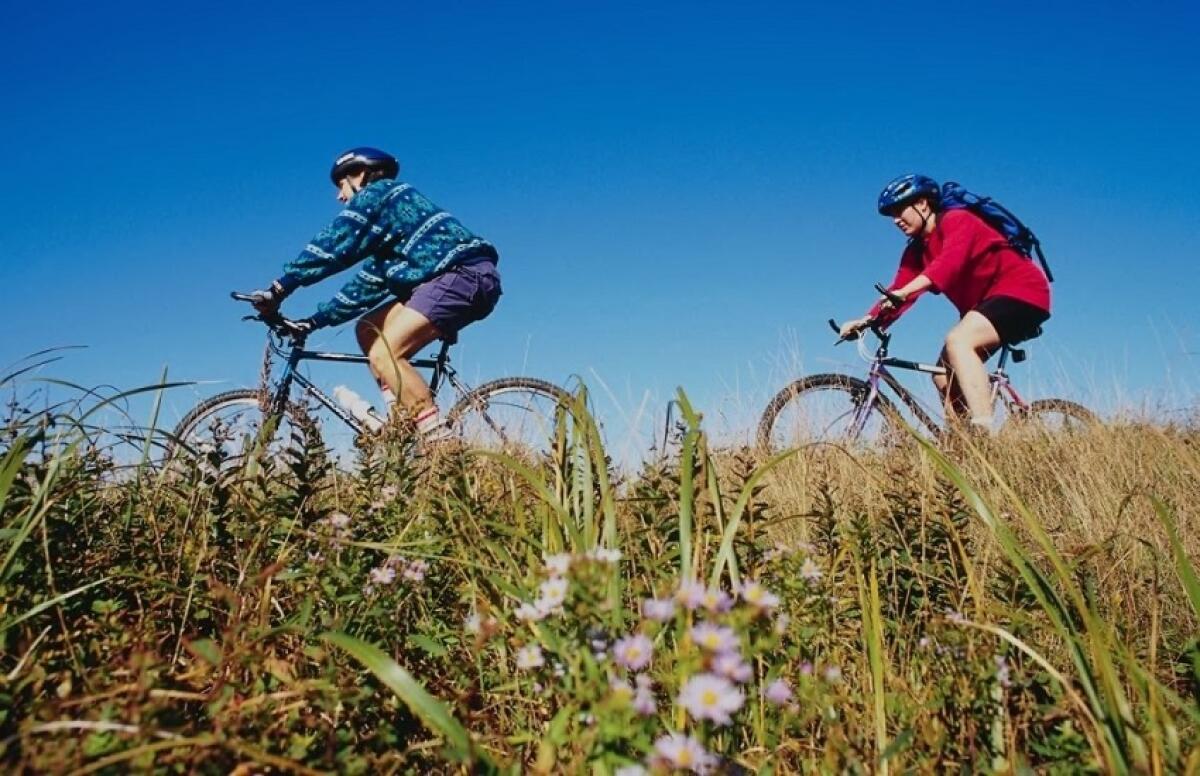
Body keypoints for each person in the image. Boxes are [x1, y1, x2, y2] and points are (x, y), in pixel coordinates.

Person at [248, 147, 501, 439]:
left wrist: (280, 287)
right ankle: (401, 421)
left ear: (360, 174)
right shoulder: (391, 237)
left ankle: (440, 449)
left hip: (462, 275)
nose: (339, 197)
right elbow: (366, 286)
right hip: (455, 279)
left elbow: (336, 242)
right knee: (368, 329)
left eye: (341, 185)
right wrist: (314, 321)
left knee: (385, 354)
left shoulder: (381, 193)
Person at [838, 174, 1051, 431]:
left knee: (959, 341)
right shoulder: (916, 250)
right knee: (941, 374)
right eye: (891, 215)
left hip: (1022, 292)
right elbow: (899, 291)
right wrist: (867, 320)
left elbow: (948, 265)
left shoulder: (957, 221)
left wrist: (905, 291)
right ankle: (965, 444)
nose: (895, 220)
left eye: (899, 210)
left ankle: (982, 429)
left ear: (923, 204)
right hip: (985, 306)